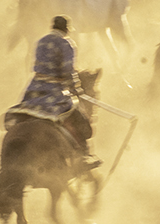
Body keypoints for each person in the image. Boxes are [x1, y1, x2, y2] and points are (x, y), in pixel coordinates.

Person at [6, 15, 100, 170]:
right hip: (55, 92)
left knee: (23, 112)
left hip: (34, 89)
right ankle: (83, 157)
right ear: (66, 29)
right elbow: (68, 71)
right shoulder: (67, 44)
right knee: (79, 118)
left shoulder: (41, 41)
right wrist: (77, 89)